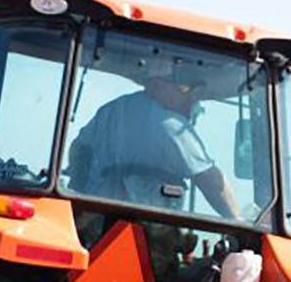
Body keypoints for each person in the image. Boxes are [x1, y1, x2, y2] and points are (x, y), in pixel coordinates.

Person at [68, 55, 242, 220]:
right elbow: (210, 180)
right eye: (185, 88)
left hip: (95, 220)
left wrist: (80, 195)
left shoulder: (112, 110)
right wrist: (239, 222)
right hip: (143, 229)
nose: (191, 98)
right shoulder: (168, 124)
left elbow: (78, 149)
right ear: (157, 85)